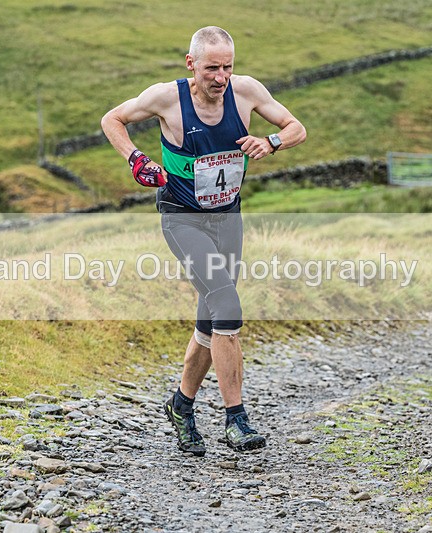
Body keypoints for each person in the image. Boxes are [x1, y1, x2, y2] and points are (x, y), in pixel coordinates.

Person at [102, 26, 306, 455]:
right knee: (227, 304)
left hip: (227, 217)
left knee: (210, 321)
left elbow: (296, 128)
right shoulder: (166, 97)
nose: (221, 77)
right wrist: (135, 159)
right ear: (191, 63)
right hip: (183, 218)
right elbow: (112, 119)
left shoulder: (246, 91)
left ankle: (181, 405)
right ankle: (237, 420)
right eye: (212, 67)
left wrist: (271, 142)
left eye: (228, 66)